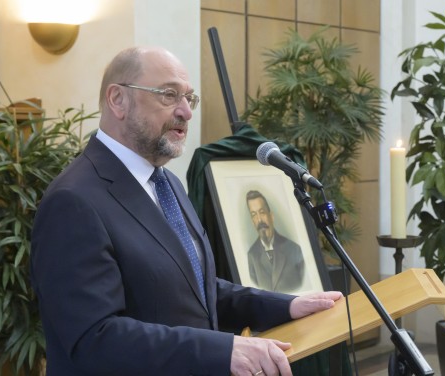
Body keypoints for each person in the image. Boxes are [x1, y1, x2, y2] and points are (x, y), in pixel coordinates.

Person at [30, 46, 341, 376]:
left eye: (188, 98)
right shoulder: (73, 201)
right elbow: (94, 338)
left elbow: (192, 288)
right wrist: (223, 350)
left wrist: (286, 306)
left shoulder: (167, 183)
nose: (186, 112)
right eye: (169, 95)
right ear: (118, 100)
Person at [245, 190, 305, 292]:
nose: (259, 220)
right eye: (254, 214)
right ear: (252, 221)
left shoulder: (294, 249)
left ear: (271, 216)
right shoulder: (251, 255)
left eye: (262, 212)